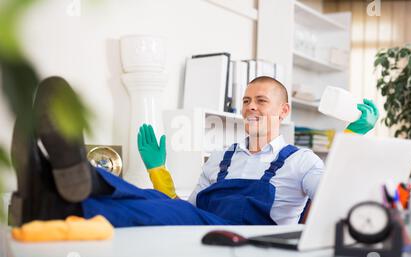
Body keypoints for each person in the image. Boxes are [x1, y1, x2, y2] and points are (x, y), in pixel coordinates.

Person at [9, 76, 379, 227]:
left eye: (261, 101)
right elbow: (183, 207)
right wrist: (158, 169)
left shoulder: (302, 161)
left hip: (247, 246)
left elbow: (337, 200)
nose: (251, 107)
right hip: (200, 230)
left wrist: (351, 141)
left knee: (159, 210)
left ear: (283, 112)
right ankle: (52, 187)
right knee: (151, 199)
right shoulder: (221, 158)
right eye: (247, 100)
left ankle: (56, 185)